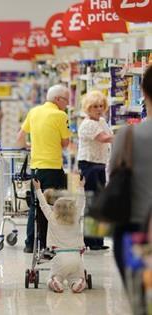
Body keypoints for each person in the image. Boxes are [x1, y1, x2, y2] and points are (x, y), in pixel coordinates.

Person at [17, 84, 72, 253]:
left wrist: (32, 145)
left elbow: (19, 138)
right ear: (57, 99)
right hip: (53, 168)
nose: (67, 104)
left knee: (35, 205)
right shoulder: (60, 115)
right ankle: (49, 243)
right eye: (66, 100)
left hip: (36, 168)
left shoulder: (34, 112)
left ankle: (30, 243)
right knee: (54, 206)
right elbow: (65, 143)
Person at [111, 65, 152, 283]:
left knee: (142, 299)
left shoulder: (127, 135)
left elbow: (113, 176)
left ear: (143, 91)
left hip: (134, 229)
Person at [33, 178, 86, 293]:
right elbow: (81, 203)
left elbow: (43, 205)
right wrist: (81, 187)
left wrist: (38, 189)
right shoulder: (76, 217)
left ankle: (55, 281)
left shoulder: (52, 219)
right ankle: (78, 283)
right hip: (76, 257)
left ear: (56, 209)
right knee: (75, 277)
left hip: (60, 257)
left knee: (55, 276)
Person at [77, 90, 113, 250]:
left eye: (101, 106)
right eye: (94, 106)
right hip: (89, 165)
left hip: (99, 164)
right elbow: (104, 138)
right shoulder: (88, 124)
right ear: (88, 108)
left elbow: (108, 137)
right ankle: (90, 240)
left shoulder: (101, 121)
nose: (98, 109)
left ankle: (98, 240)